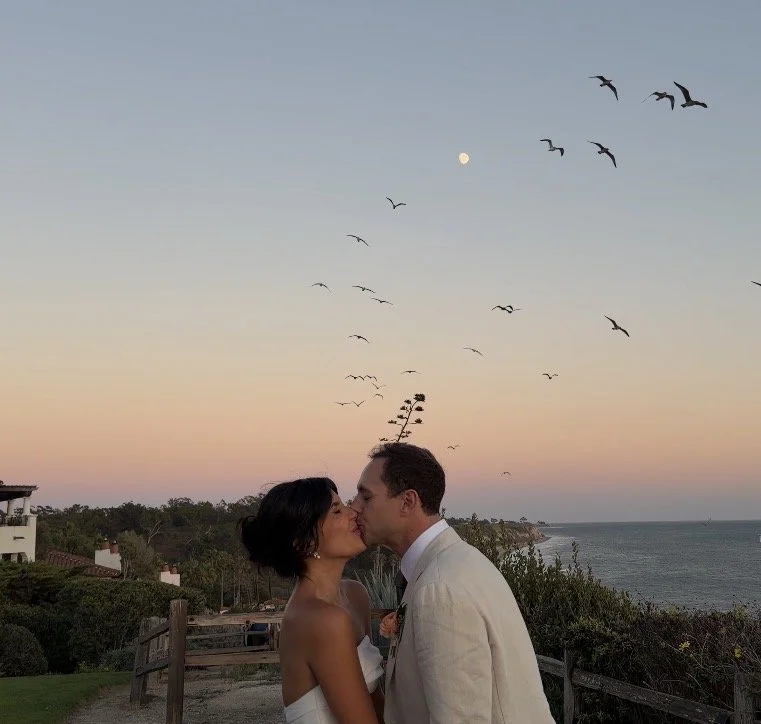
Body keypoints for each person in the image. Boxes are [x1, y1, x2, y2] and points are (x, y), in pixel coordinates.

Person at [351, 442, 554, 724]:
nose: (354, 508)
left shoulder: (440, 588)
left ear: (408, 502)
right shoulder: (452, 565)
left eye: (366, 497)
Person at [240, 477, 383, 724]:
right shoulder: (320, 619)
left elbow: (377, 703)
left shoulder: (354, 595)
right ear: (304, 542)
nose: (353, 512)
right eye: (337, 510)